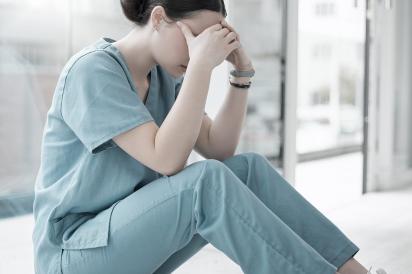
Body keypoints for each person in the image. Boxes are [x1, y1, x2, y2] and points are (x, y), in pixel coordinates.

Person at [31, 0, 388, 273]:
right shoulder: (93, 71)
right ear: (158, 19)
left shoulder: (165, 77)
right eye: (195, 37)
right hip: (73, 253)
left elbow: (219, 148)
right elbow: (167, 160)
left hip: (122, 239)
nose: (203, 52)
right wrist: (201, 65)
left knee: (246, 170)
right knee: (205, 183)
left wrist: (241, 74)